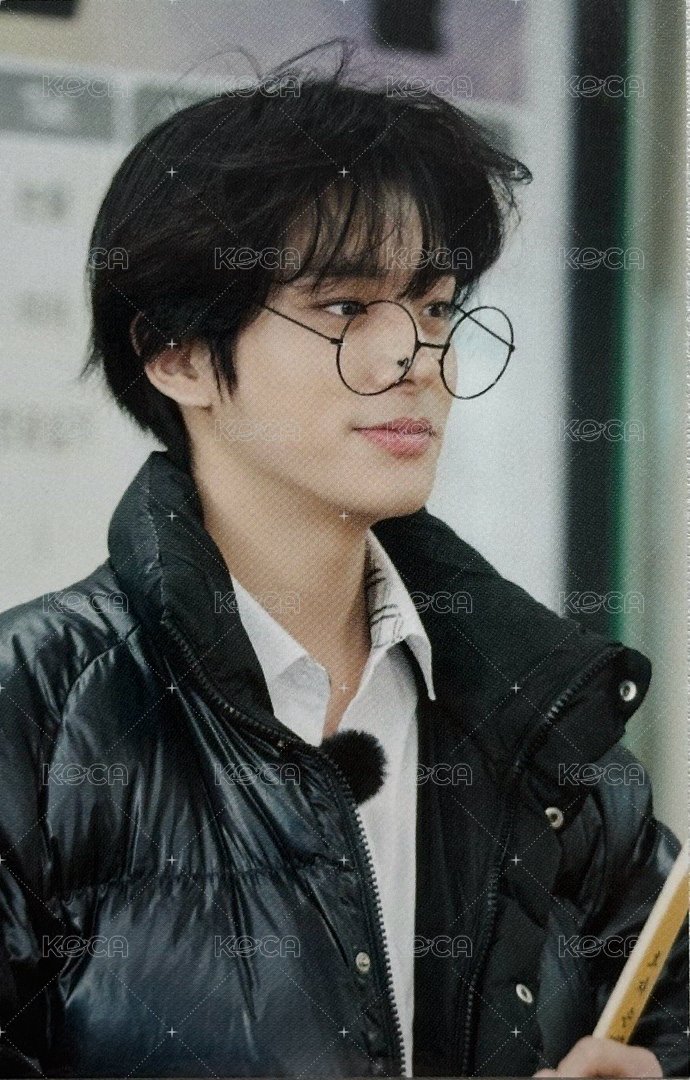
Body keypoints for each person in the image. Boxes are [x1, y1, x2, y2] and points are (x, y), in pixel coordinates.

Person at [0, 40, 687, 1079]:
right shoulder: (38, 714)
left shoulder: (534, 714)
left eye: (436, 306)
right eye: (344, 308)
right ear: (177, 354)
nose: (416, 358)